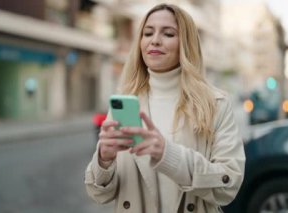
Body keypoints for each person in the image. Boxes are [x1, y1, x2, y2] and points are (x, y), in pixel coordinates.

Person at [84, 3, 245, 213]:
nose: (155, 40)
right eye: (147, 33)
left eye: (168, 33)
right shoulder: (125, 104)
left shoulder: (215, 104)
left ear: (185, 44)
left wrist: (167, 155)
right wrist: (104, 160)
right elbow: (99, 194)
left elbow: (229, 185)